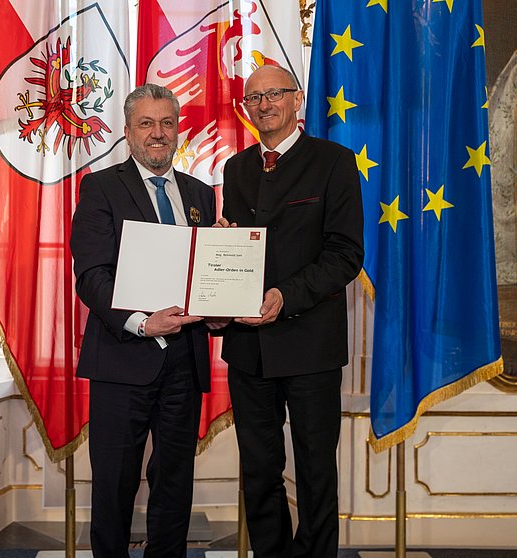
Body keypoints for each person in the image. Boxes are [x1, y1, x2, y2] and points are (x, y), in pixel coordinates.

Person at [219, 65, 364, 557]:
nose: (264, 104)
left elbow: (345, 253)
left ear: (296, 99)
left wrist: (284, 296)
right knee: (258, 471)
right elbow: (238, 250)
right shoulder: (235, 169)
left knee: (316, 470)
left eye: (274, 94)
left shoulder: (334, 161)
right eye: (253, 98)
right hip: (248, 350)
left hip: (311, 346)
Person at [70, 83, 216, 558]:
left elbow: (204, 274)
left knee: (174, 482)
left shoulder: (199, 194)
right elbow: (90, 275)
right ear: (128, 131)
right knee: (114, 485)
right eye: (147, 124)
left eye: (167, 123)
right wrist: (140, 321)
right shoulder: (101, 186)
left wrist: (220, 301)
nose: (158, 134)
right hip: (122, 357)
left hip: (185, 360)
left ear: (178, 130)